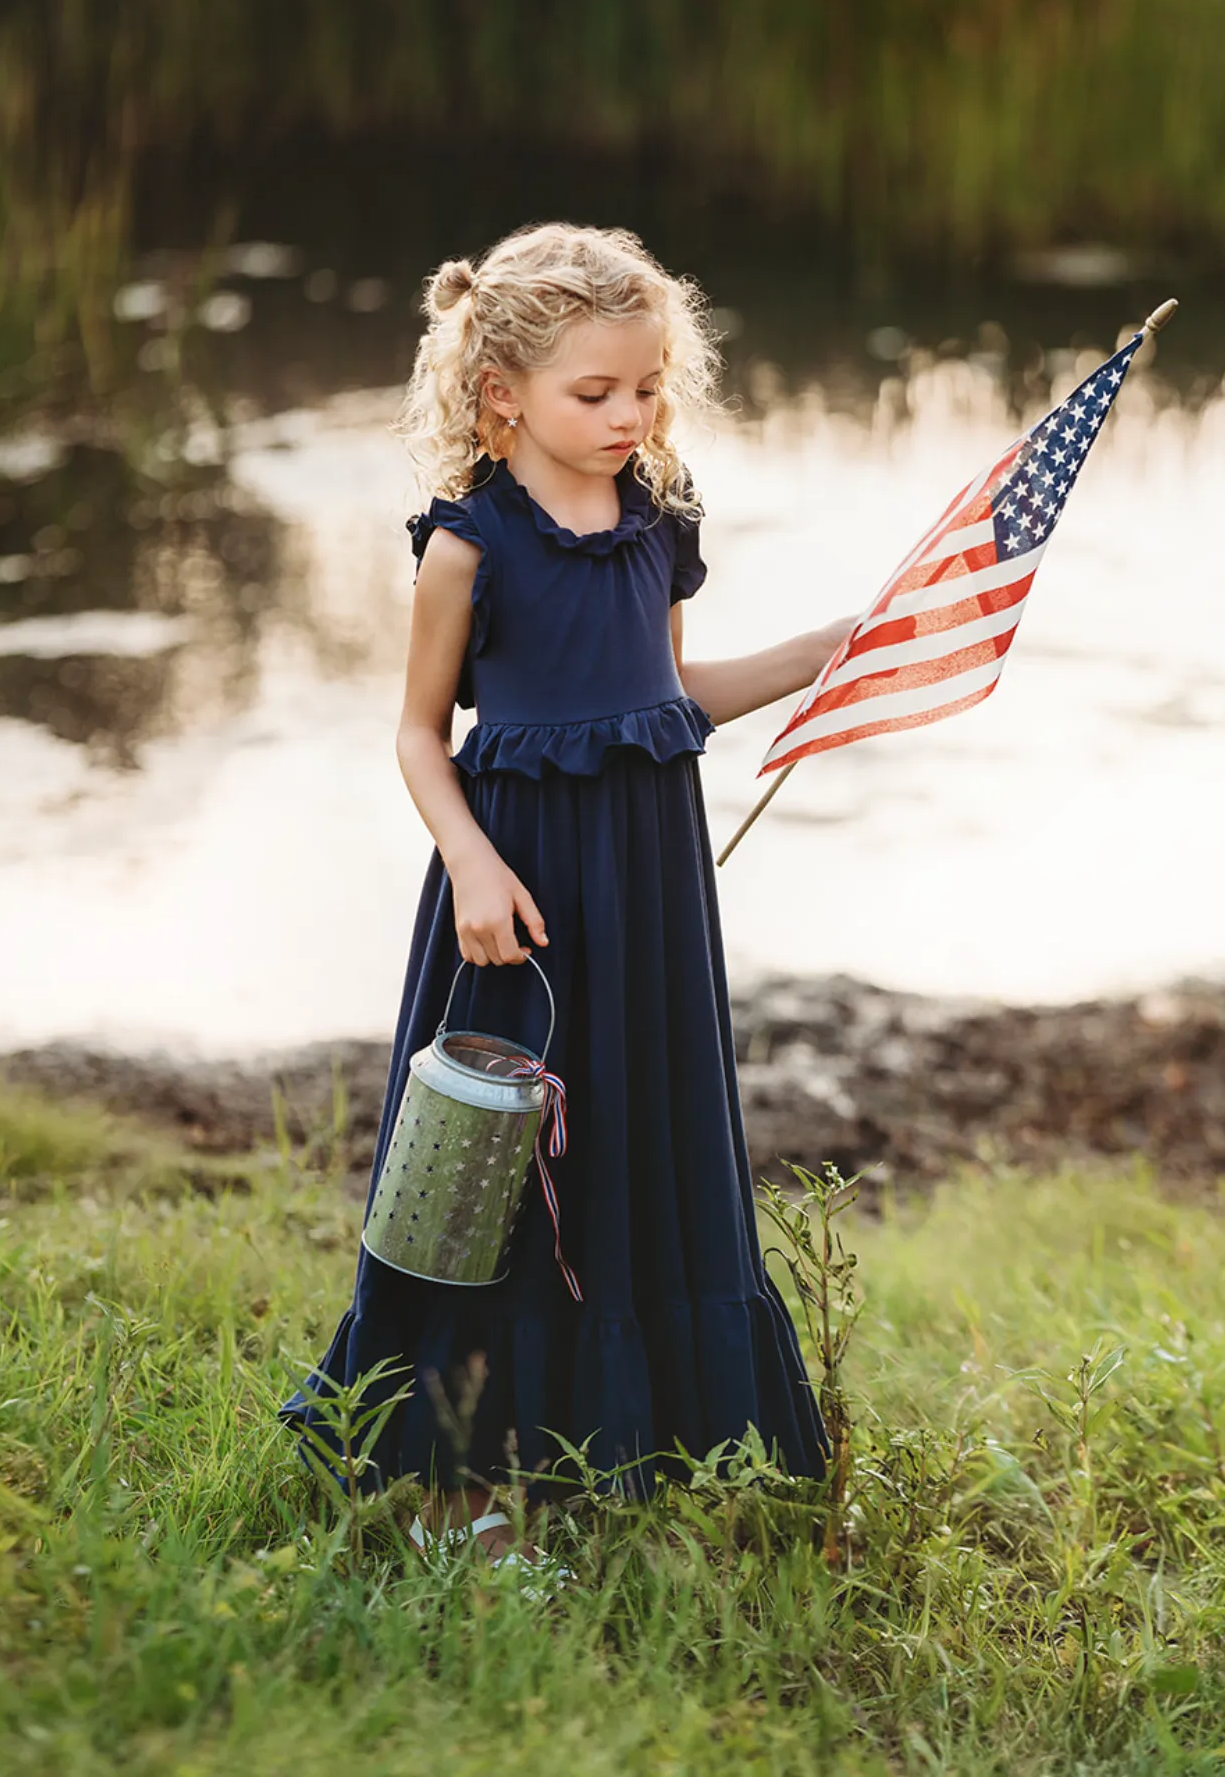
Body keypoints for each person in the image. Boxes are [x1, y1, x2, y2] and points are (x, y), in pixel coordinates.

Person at [281, 221, 851, 1565]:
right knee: (498, 1179)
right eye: (595, 392)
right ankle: (458, 1490)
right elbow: (420, 733)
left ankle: (633, 1457)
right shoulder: (468, 549)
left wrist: (819, 652)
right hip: (521, 900)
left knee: (637, 1152)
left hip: (648, 896)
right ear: (503, 397)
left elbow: (669, 696)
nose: (629, 414)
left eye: (646, 387)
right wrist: (474, 861)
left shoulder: (659, 522)